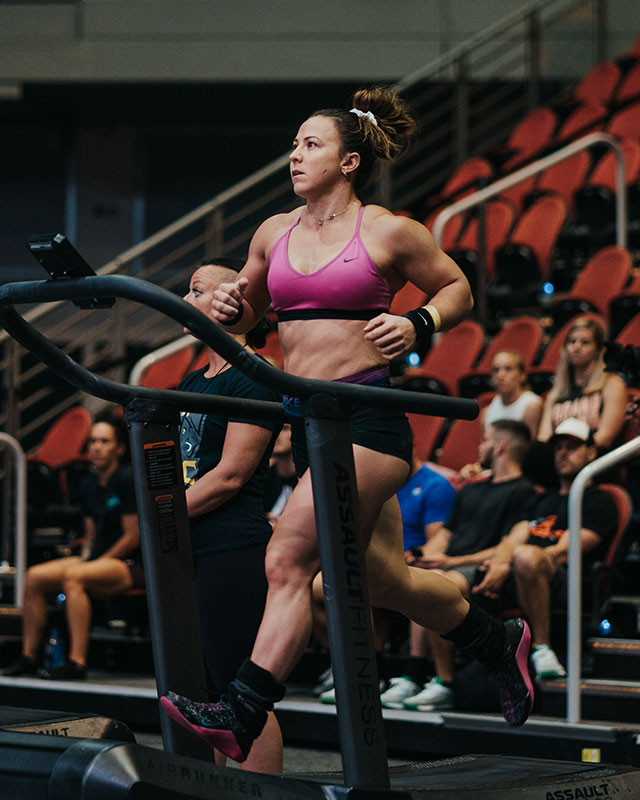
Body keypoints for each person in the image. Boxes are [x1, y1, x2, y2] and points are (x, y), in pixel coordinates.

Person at [161, 85, 535, 763]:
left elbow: (458, 287)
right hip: (311, 425)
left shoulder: (388, 230)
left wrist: (420, 321)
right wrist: (223, 305)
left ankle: (242, 710)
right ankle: (494, 639)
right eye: (294, 144)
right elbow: (246, 315)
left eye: (311, 145)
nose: (295, 155)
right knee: (379, 576)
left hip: (369, 420)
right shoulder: (273, 232)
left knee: (287, 560)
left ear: (350, 160)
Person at [178, 258, 284, 773]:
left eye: (196, 290)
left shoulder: (252, 379)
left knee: (234, 692)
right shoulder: (194, 379)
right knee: (196, 695)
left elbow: (231, 476)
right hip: (185, 542)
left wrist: (161, 515)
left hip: (230, 547)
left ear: (230, 304)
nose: (185, 298)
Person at [380, 419, 537, 709]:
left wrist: (452, 560)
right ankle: (413, 675)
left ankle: (445, 681)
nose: (480, 446)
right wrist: (419, 554)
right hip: (452, 565)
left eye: (486, 440)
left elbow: (509, 545)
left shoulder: (523, 491)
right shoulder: (471, 490)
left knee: (438, 584)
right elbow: (444, 537)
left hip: (483, 569)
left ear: (501, 447)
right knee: (415, 575)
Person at [473, 417, 617, 680]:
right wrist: (499, 564)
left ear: (591, 452)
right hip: (520, 574)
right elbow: (513, 538)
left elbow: (565, 551)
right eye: (558, 447)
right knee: (456, 582)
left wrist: (515, 561)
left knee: (526, 556)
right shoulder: (543, 498)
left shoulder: (599, 499)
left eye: (571, 447)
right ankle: (435, 678)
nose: (562, 453)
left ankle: (542, 648)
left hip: (565, 579)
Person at [4, 414, 142, 680]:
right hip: (99, 558)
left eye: (104, 441)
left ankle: (76, 662)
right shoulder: (88, 484)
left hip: (129, 563)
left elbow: (133, 536)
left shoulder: (127, 479)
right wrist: (86, 556)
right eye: (92, 441)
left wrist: (95, 562)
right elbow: (91, 534)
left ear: (120, 448)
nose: (96, 447)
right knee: (34, 577)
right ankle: (29, 657)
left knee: (74, 577)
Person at [315, 454, 457, 704]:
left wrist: (411, 557)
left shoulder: (435, 485)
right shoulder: (379, 481)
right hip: (377, 562)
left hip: (412, 562)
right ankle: (360, 671)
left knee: (418, 586)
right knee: (316, 586)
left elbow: (436, 544)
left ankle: (411, 675)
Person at [537, 317, 627, 451]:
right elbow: (544, 438)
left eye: (585, 342)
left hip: (595, 460)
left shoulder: (612, 385)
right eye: (572, 342)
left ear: (598, 349)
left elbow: (605, 438)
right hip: (560, 459)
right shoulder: (555, 394)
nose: (576, 347)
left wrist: (574, 451)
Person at [460, 350, 542, 481]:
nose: (501, 375)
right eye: (496, 370)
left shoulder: (531, 405)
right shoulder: (487, 411)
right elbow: (485, 454)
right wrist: (476, 468)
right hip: (493, 471)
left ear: (522, 375)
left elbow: (529, 452)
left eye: (508, 369)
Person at [262, 423, 297, 526]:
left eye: (285, 429)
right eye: (275, 429)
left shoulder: (310, 479)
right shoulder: (265, 477)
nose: (277, 435)